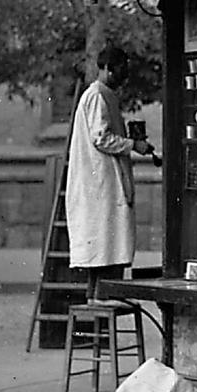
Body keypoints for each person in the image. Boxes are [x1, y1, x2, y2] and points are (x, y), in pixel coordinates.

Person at [66, 45, 156, 300]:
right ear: (106, 68)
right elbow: (100, 138)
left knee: (110, 244)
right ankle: (97, 300)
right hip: (99, 182)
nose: (123, 75)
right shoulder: (96, 95)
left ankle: (101, 298)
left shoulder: (107, 95)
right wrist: (132, 145)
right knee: (103, 244)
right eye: (119, 70)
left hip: (108, 179)